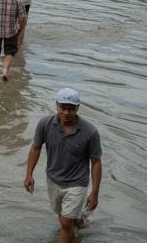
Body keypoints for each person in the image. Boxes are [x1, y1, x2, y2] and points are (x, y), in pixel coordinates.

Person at [24, 88, 102, 243]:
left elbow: (96, 162)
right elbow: (36, 148)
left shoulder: (90, 132)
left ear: (78, 108)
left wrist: (94, 193)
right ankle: (79, 222)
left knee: (65, 223)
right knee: (64, 218)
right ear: (57, 105)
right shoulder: (45, 124)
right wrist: (29, 174)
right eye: (63, 108)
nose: (66, 112)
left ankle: (72, 225)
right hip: (53, 179)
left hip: (77, 183)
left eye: (71, 108)